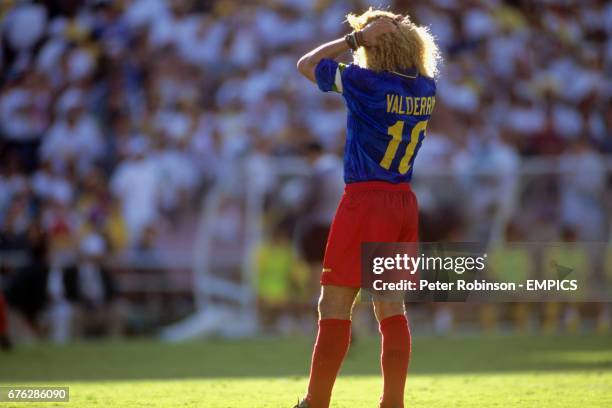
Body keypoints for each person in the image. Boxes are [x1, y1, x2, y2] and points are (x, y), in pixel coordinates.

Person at [294, 8, 440, 408]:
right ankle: (393, 402)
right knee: (391, 306)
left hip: (365, 200)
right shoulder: (426, 88)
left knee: (335, 303)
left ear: (374, 46)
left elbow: (307, 64)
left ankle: (316, 401)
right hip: (403, 202)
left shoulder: (365, 83)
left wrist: (355, 40)